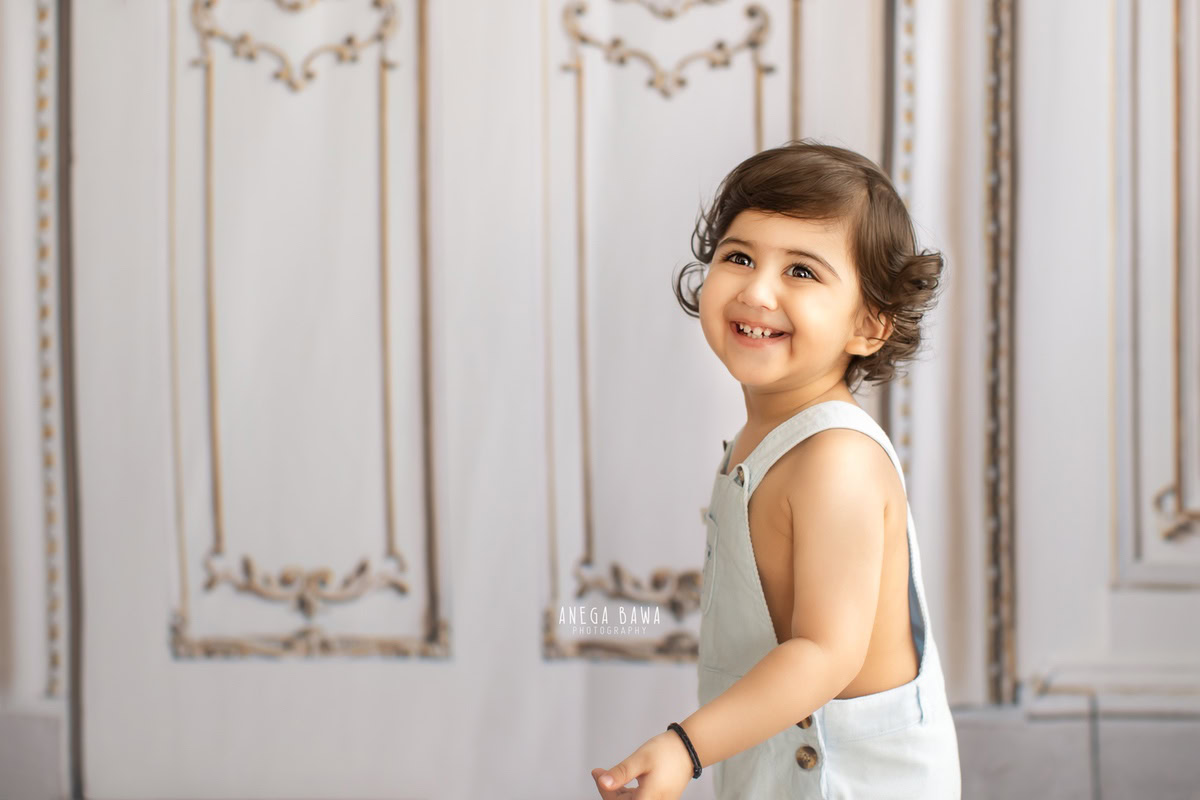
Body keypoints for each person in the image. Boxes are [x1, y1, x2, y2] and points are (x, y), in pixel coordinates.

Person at [590, 139, 961, 798]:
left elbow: (824, 654)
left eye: (802, 272)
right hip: (780, 764)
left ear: (870, 326)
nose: (757, 290)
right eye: (739, 257)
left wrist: (684, 748)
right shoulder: (763, 437)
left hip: (852, 782)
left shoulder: (834, 460)